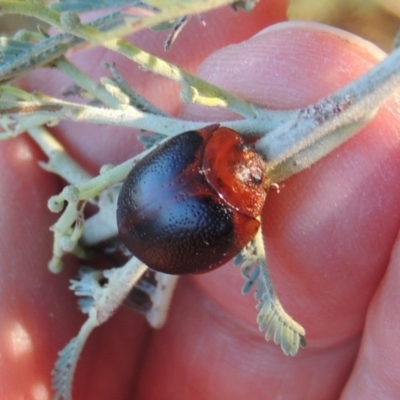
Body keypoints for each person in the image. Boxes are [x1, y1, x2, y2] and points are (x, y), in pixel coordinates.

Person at [1, 1, 400, 398]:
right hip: (152, 207)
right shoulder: (226, 185)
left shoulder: (236, 201)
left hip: (156, 207)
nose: (255, 162)